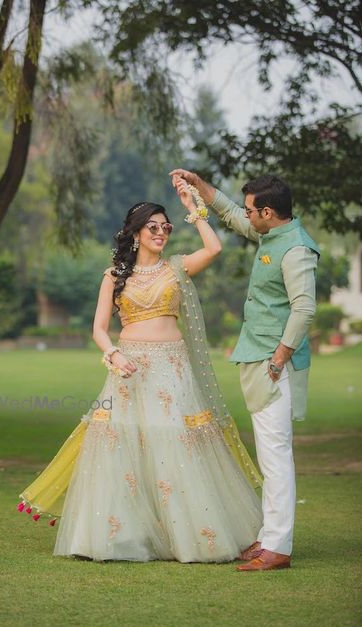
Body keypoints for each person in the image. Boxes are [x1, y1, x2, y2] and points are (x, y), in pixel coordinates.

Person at [16, 181, 263, 563]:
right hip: (129, 368)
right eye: (154, 227)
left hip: (172, 367)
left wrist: (195, 208)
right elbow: (99, 329)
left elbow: (213, 248)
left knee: (176, 443)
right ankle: (121, 537)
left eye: (166, 227)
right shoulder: (115, 275)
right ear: (135, 233)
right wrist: (113, 355)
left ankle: (192, 538)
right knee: (122, 447)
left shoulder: (178, 267)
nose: (162, 232)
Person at [170, 169, 319, 571]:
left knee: (275, 457)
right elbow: (233, 214)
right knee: (268, 455)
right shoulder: (272, 235)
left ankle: (278, 548)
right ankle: (269, 538)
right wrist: (201, 188)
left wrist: (279, 357)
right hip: (259, 360)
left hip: (274, 364)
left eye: (253, 209)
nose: (246, 215)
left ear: (268, 212)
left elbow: (304, 308)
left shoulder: (296, 249)